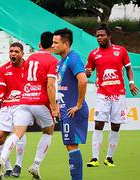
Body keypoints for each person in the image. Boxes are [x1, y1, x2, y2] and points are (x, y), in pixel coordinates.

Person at [0, 32, 59, 180]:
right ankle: (36, 164)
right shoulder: (53, 60)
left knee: (16, 133)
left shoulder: (30, 59)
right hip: (40, 102)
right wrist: (54, 107)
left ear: (39, 45)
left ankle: (2, 159)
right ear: (53, 45)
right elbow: (50, 86)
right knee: (48, 131)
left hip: (23, 101)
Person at [85, 24, 139, 168]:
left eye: (102, 35)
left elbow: (128, 68)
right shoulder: (93, 54)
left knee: (115, 125)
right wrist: (88, 72)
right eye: (97, 36)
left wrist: (131, 83)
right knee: (98, 123)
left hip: (118, 94)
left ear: (109, 36)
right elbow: (88, 69)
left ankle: (109, 157)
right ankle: (94, 158)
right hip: (102, 94)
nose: (99, 38)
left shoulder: (120, 51)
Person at [52, 28, 89, 180]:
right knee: (69, 146)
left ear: (66, 43)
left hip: (73, 111)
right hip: (66, 110)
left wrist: (79, 104)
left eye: (56, 42)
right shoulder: (61, 61)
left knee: (72, 146)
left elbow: (83, 79)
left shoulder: (73, 58)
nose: (53, 45)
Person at [0, 42, 27, 178]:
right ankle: (8, 169)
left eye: (16, 51)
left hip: (22, 104)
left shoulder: (28, 68)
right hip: (6, 105)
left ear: (22, 53)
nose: (13, 54)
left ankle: (18, 165)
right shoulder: (3, 69)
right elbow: (2, 91)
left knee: (18, 133)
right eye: (11, 51)